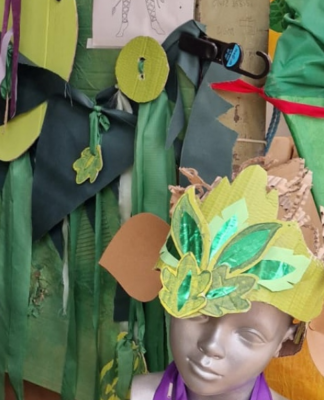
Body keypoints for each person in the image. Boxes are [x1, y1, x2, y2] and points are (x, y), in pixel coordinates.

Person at [103, 159, 324, 400]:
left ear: (286, 339)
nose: (211, 345)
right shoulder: (135, 394)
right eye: (197, 310)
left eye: (249, 335)